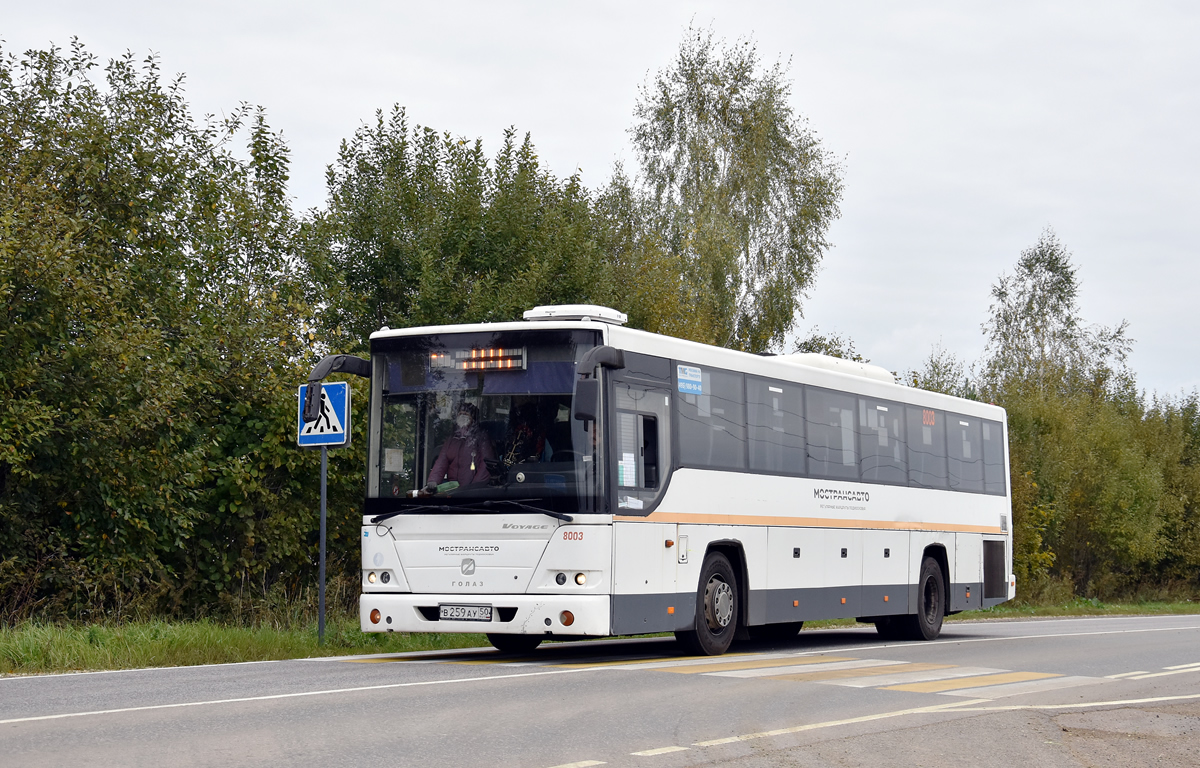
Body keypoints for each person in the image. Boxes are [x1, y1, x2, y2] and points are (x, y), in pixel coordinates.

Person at [424, 402, 494, 492]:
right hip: (453, 491)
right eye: (460, 413)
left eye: (466, 413)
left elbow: (486, 465)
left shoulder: (481, 437)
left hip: (472, 492)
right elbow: (441, 461)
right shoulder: (451, 439)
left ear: (473, 418)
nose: (462, 415)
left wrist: (474, 488)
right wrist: (433, 480)